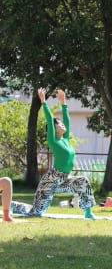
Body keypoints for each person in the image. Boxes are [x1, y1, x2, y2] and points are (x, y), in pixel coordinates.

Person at [12, 88, 96, 219]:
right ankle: (13, 205)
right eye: (59, 124)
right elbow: (49, 119)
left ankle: (88, 212)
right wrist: (43, 101)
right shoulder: (53, 141)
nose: (62, 125)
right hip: (51, 179)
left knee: (83, 181)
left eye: (62, 123)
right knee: (36, 212)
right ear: (54, 128)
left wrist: (64, 103)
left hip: (64, 178)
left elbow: (67, 120)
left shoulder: (66, 140)